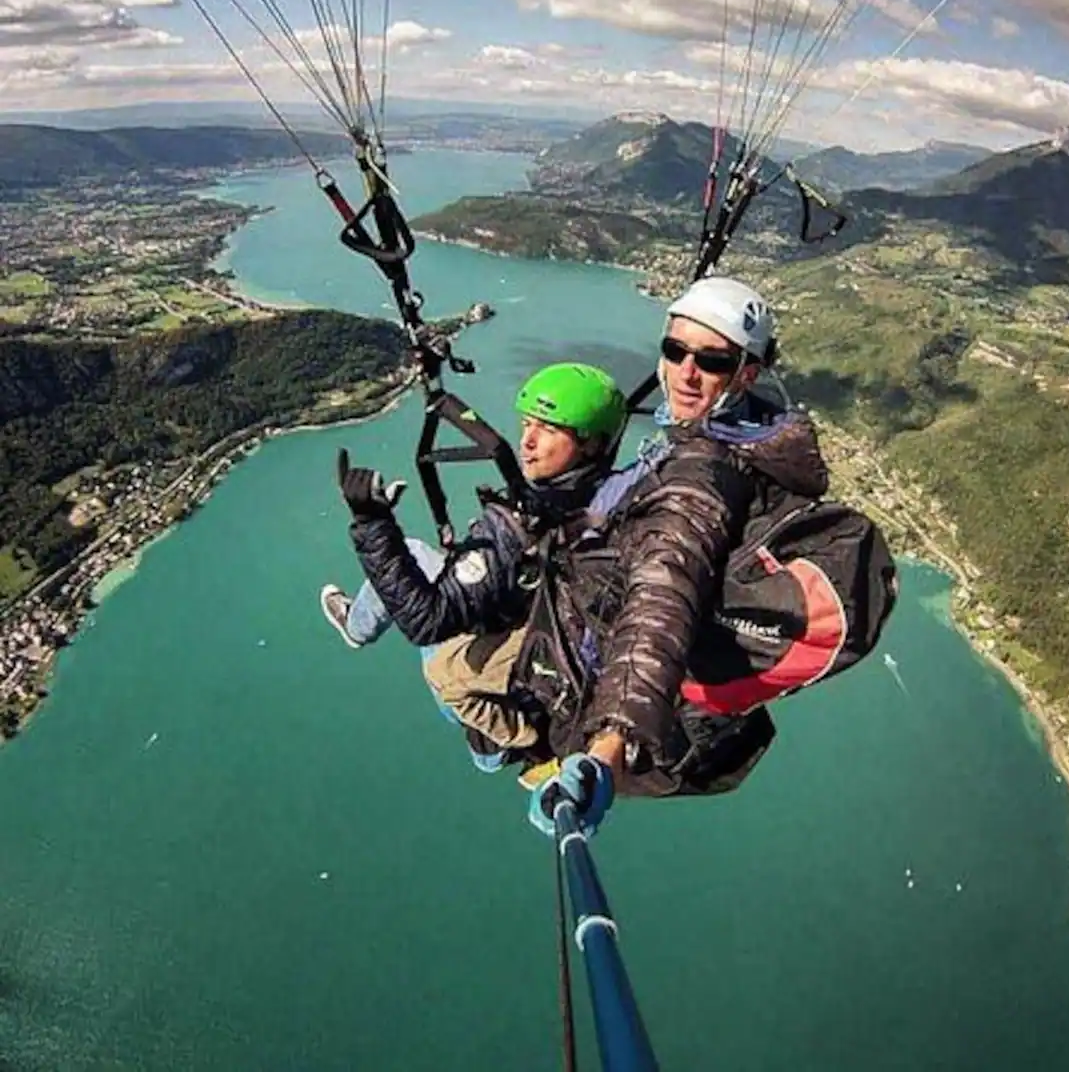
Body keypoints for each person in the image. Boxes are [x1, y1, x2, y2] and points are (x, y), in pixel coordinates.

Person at [520, 275, 831, 836]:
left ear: (747, 373)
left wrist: (607, 748)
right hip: (627, 661)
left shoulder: (701, 476)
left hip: (604, 685)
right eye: (675, 350)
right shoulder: (735, 433)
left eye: (711, 361)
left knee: (450, 660)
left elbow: (662, 600)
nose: (686, 372)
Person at [322, 362, 627, 768]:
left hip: (528, 651)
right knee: (413, 554)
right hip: (540, 615)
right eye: (526, 425)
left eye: (548, 429)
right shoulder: (614, 495)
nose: (528, 441)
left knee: (442, 668)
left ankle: (500, 745)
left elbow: (425, 620)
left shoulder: (514, 527)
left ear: (591, 444)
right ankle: (357, 626)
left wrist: (372, 523)